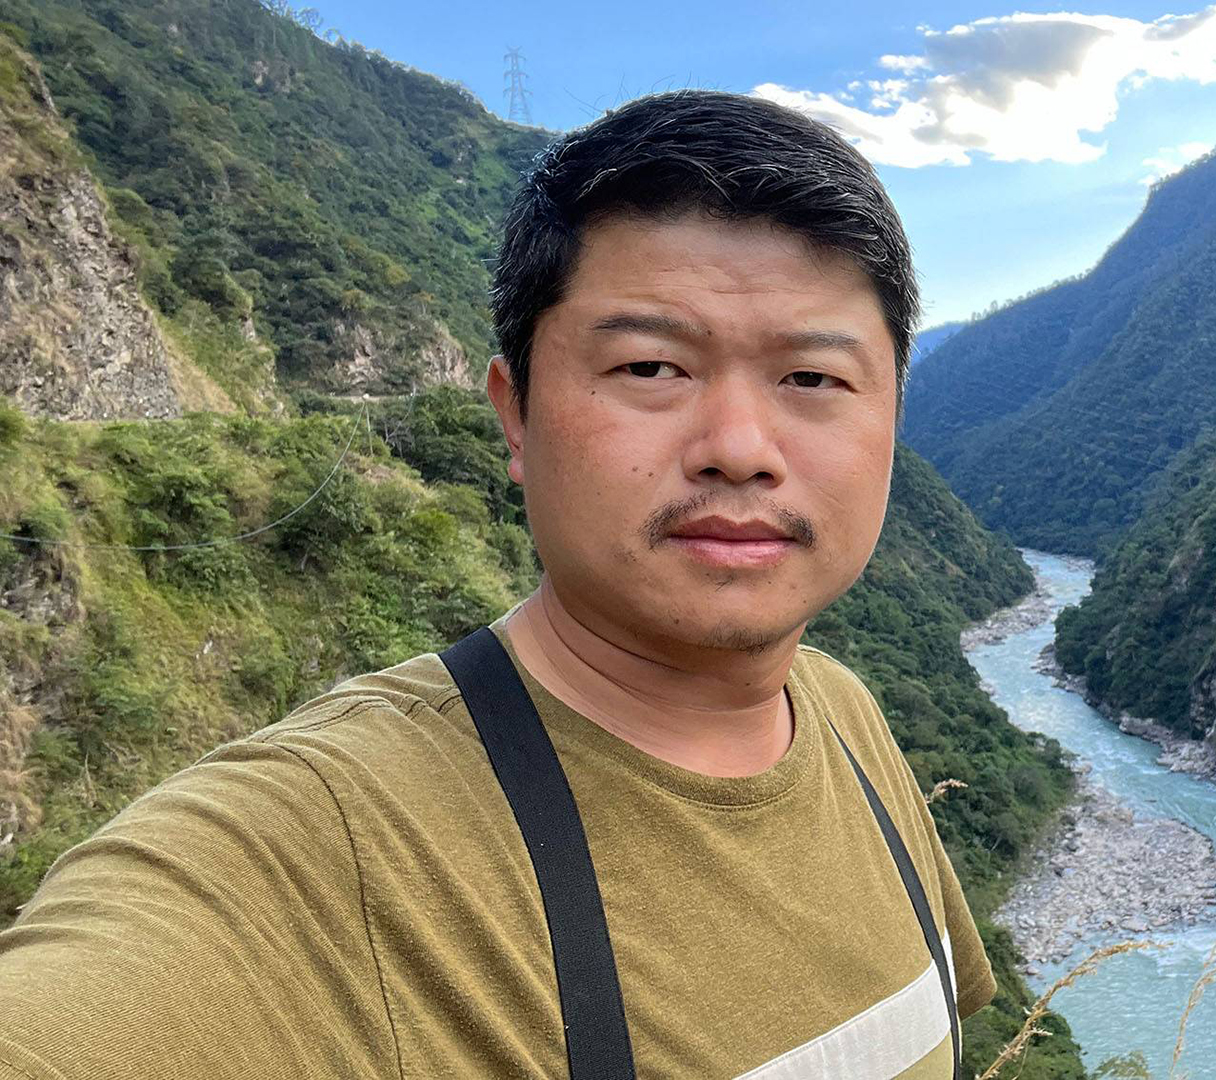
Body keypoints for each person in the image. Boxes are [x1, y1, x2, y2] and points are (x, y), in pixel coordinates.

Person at [0, 90, 995, 1079]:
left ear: (894, 416)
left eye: (813, 380)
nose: (738, 448)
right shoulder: (318, 848)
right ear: (515, 416)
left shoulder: (844, 720)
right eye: (651, 366)